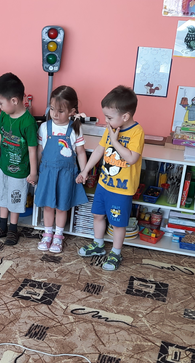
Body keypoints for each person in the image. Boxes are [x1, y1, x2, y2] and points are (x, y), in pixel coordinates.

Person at [76, 86, 144, 271]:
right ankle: (98, 245)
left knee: (117, 223)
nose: (106, 121)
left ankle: (116, 252)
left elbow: (132, 158)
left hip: (122, 190)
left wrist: (115, 141)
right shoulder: (111, 128)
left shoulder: (137, 132)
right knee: (97, 215)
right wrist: (85, 170)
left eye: (109, 117)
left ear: (125, 116)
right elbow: (100, 150)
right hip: (104, 185)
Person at [0, 73, 38, 246]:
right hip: (3, 167)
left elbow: (32, 150)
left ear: (14, 100)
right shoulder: (4, 115)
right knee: (1, 196)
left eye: (0, 103)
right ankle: (2, 226)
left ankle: (13, 229)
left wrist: (33, 172)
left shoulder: (28, 122)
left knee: (15, 199)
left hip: (20, 171)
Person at [34, 86, 88, 253]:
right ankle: (47, 234)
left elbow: (80, 152)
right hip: (47, 174)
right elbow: (39, 150)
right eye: (52, 109)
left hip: (66, 175)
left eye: (61, 111)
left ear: (72, 112)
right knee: (48, 206)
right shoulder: (44, 127)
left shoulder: (75, 129)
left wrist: (84, 171)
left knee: (62, 206)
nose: (55, 114)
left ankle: (58, 236)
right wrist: (34, 171)